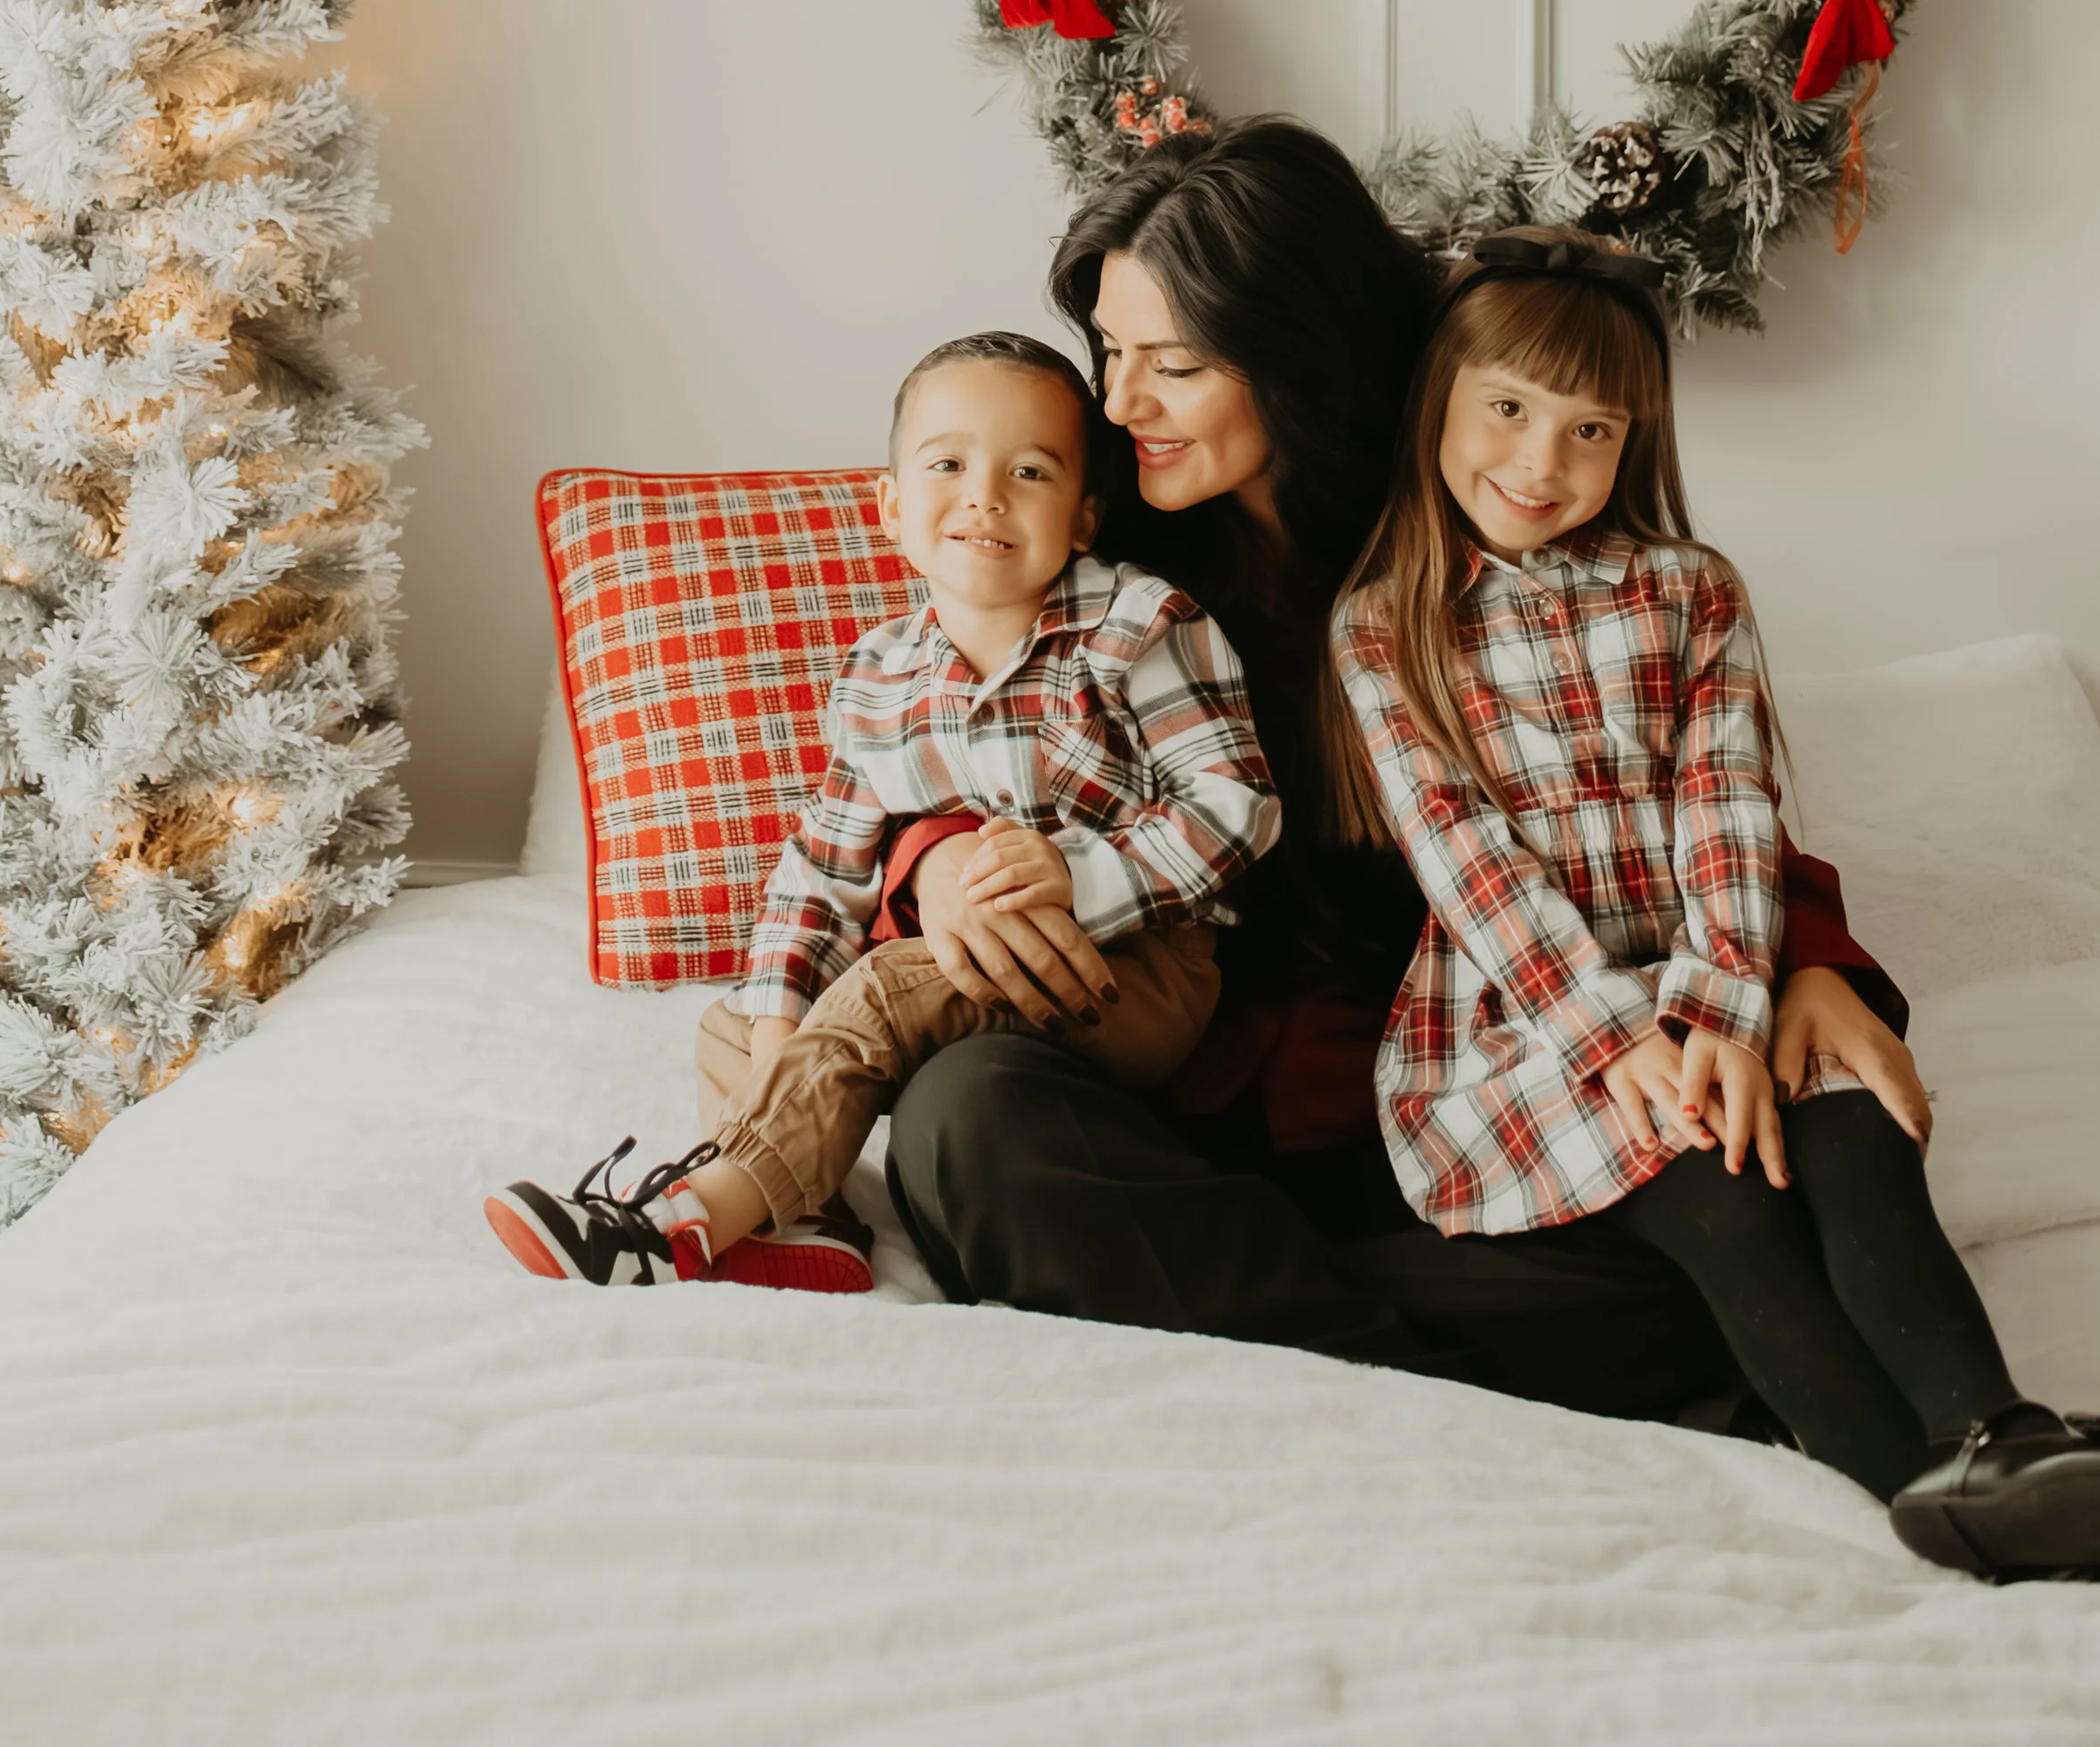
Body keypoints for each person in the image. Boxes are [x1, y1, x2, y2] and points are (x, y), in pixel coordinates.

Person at [883, 120, 1928, 1420]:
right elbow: (946, 709)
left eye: (1175, 363)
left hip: (1481, 1094)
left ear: (1293, 354)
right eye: (1111, 350)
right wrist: (930, 871)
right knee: (965, 1120)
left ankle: (1299, 1349)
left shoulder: (1470, 514)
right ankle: (1423, 1377)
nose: (1117, 404)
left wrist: (1811, 957)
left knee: (1742, 1195)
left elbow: (1675, 767)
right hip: (1204, 1106)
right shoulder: (1101, 556)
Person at [1331, 223, 2100, 1580]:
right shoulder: (1385, 620)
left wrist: (1719, 1016)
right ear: (1436, 402)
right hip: (1532, 1025)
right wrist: (1636, 1044)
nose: (1541, 462)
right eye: (1506, 410)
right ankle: (1928, 1506)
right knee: (1722, 1189)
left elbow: (1730, 814)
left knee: (1853, 1136)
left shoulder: (1690, 591)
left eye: (1591, 431)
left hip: (1714, 978)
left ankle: (2004, 1436)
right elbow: (1471, 866)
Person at [484, 329, 1278, 1294]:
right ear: (893, 509)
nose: (985, 494)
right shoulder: (878, 677)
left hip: (1135, 970)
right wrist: (782, 1033)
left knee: (894, 982)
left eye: (1029, 470)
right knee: (732, 1027)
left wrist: (1079, 874)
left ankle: (678, 1224)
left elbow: (1236, 805)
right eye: (948, 464)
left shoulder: (1138, 624)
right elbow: (820, 874)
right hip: (967, 971)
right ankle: (813, 1221)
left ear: (1081, 516)